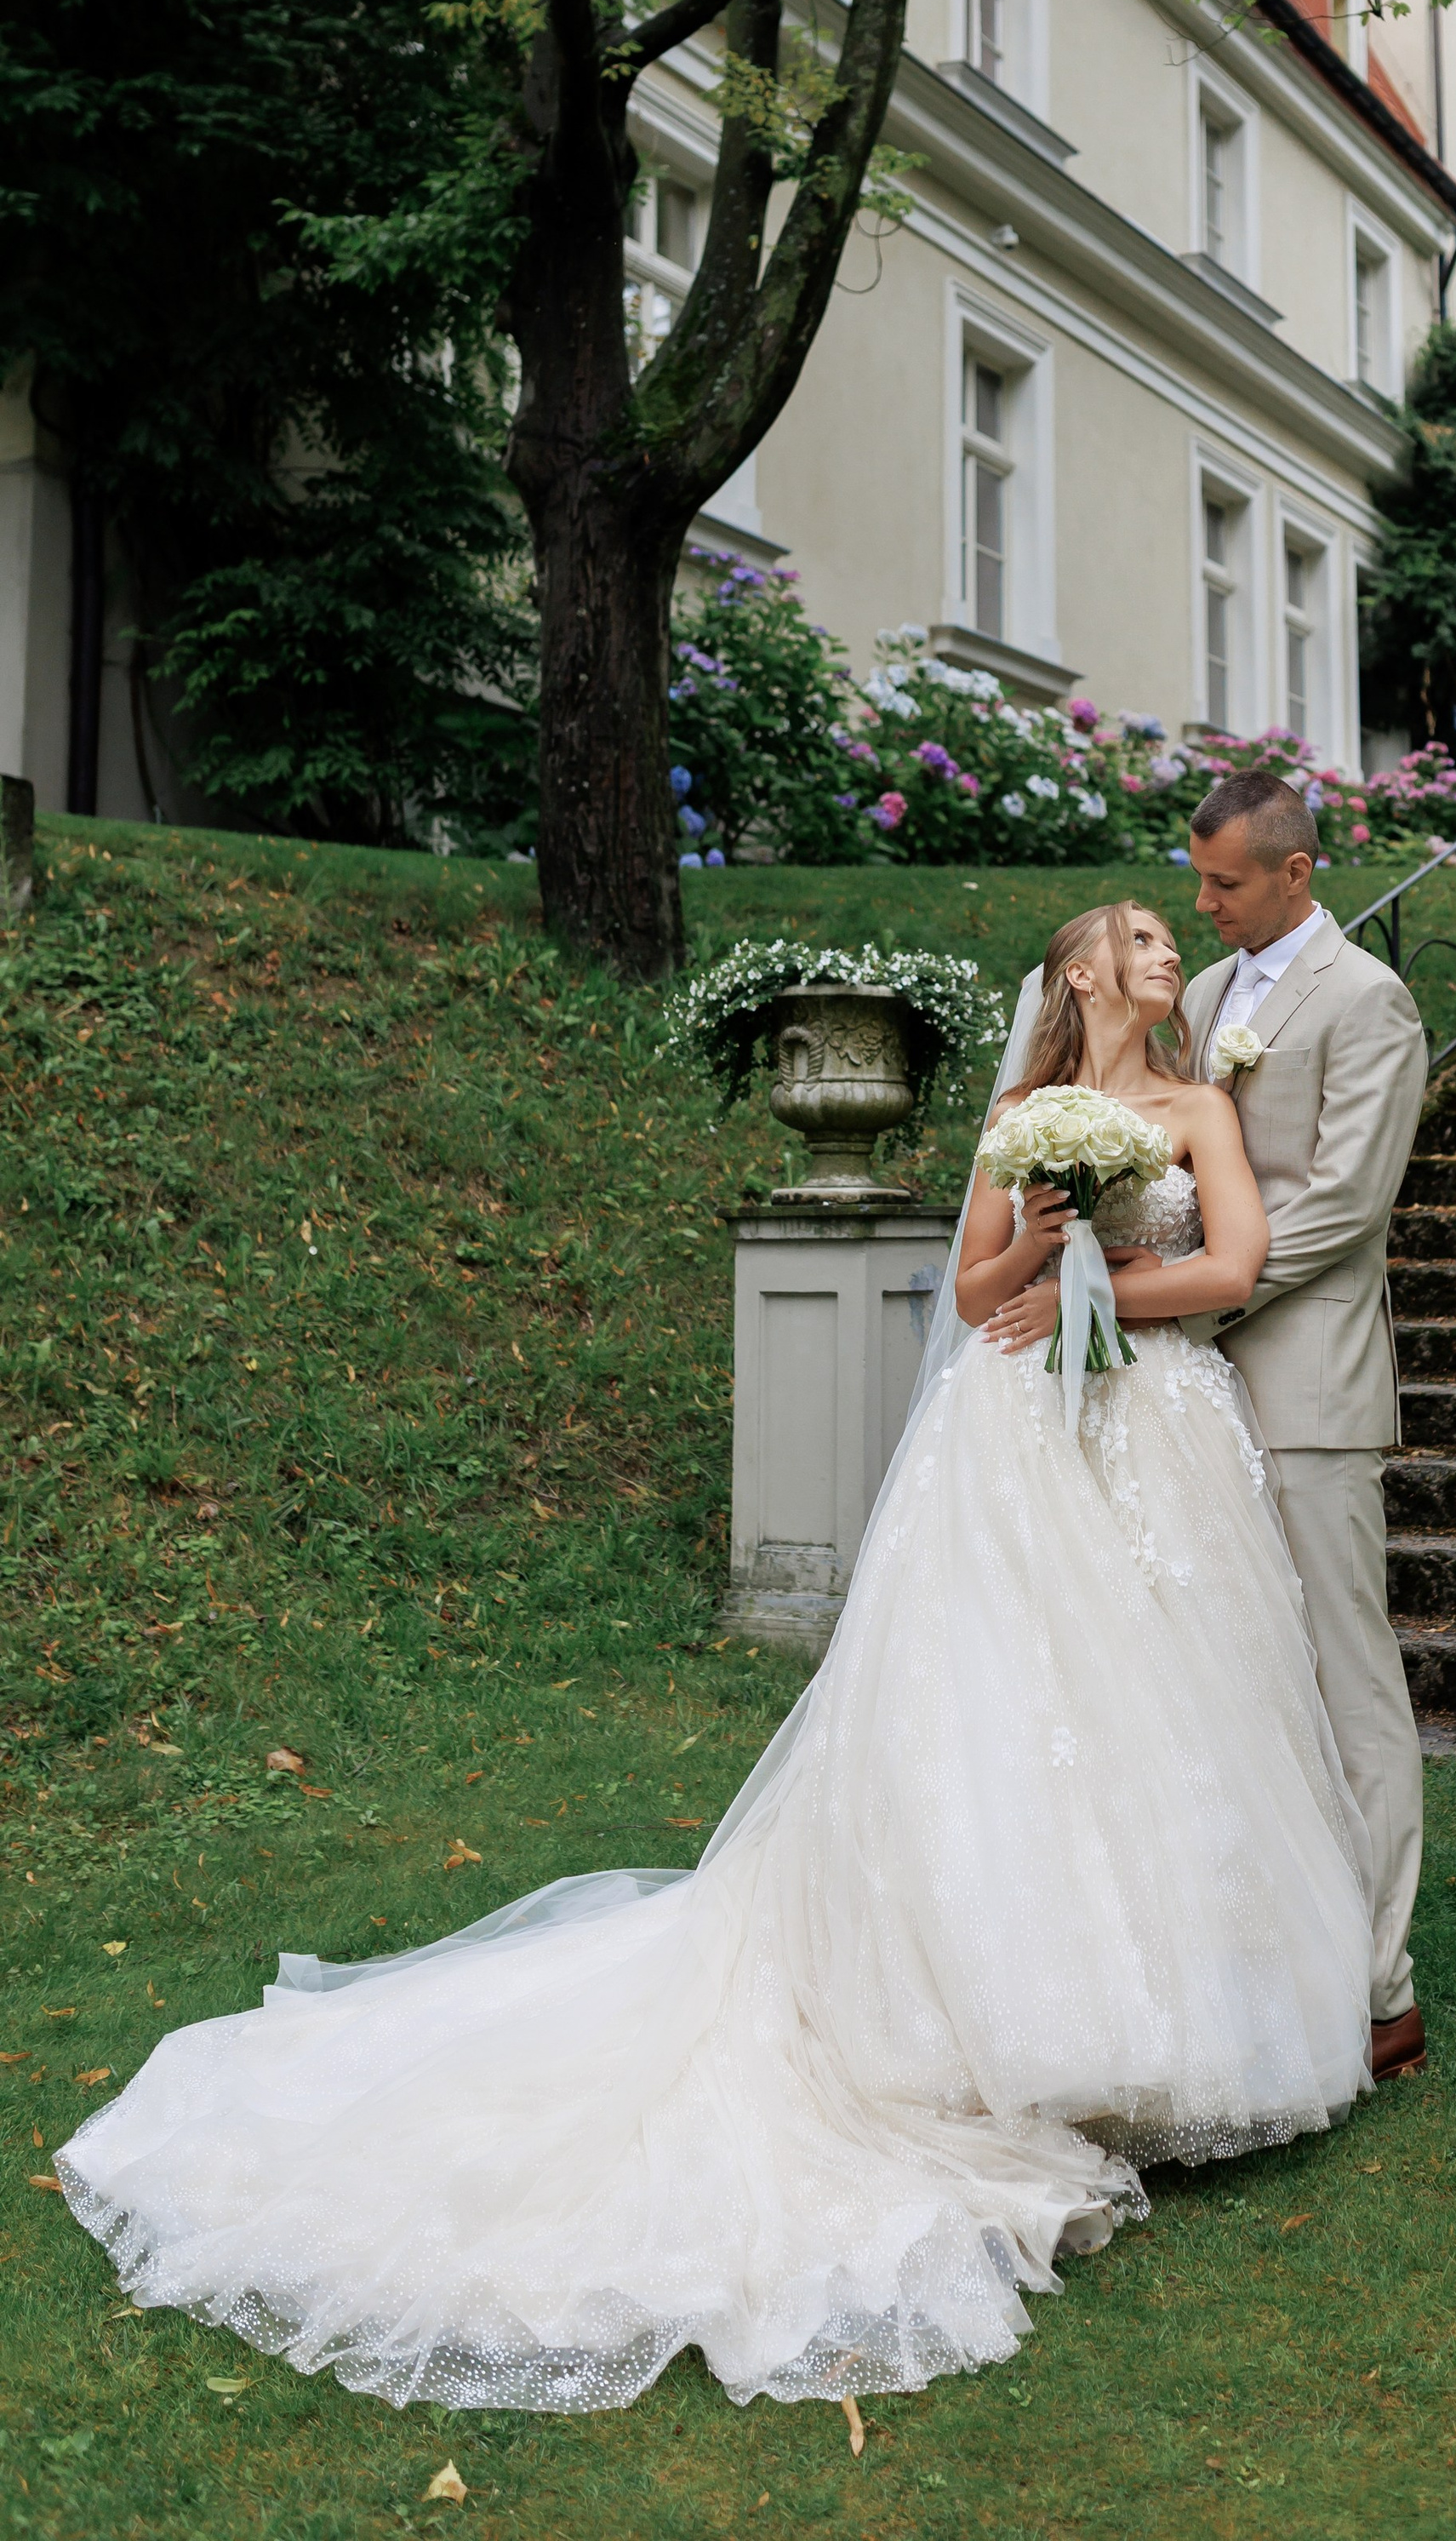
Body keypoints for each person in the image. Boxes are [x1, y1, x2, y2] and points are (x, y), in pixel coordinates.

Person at [57, 903, 1373, 2416]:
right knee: (1011, 1716)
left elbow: (1232, 1270)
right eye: (1136, 933)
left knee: (1170, 1718)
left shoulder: (1200, 1105)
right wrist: (1036, 1244)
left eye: (1166, 929)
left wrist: (1092, 1295)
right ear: (1080, 975)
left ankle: (1190, 2025)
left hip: (1156, 1424)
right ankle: (1002, 2023)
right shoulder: (1021, 1115)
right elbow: (966, 1294)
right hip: (1017, 1441)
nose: (1161, 944)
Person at [1192, 771, 1430, 2079]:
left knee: (1348, 1679)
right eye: (1202, 880)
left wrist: (1205, 1295)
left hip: (1311, 1390)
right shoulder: (1195, 1000)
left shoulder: (1368, 1000)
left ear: (1296, 872)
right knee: (1233, 1674)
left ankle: (1383, 1986)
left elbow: (1347, 1205)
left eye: (1226, 883)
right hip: (1192, 1393)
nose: (1205, 903)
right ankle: (1264, 1946)